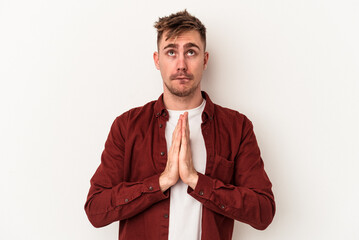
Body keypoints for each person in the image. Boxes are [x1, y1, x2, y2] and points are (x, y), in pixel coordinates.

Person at [85, 10, 275, 240]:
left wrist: (195, 179)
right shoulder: (127, 127)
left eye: (191, 52)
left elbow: (263, 212)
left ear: (205, 60)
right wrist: (161, 181)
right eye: (172, 52)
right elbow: (96, 209)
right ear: (157, 60)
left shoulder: (237, 128)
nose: (182, 64)